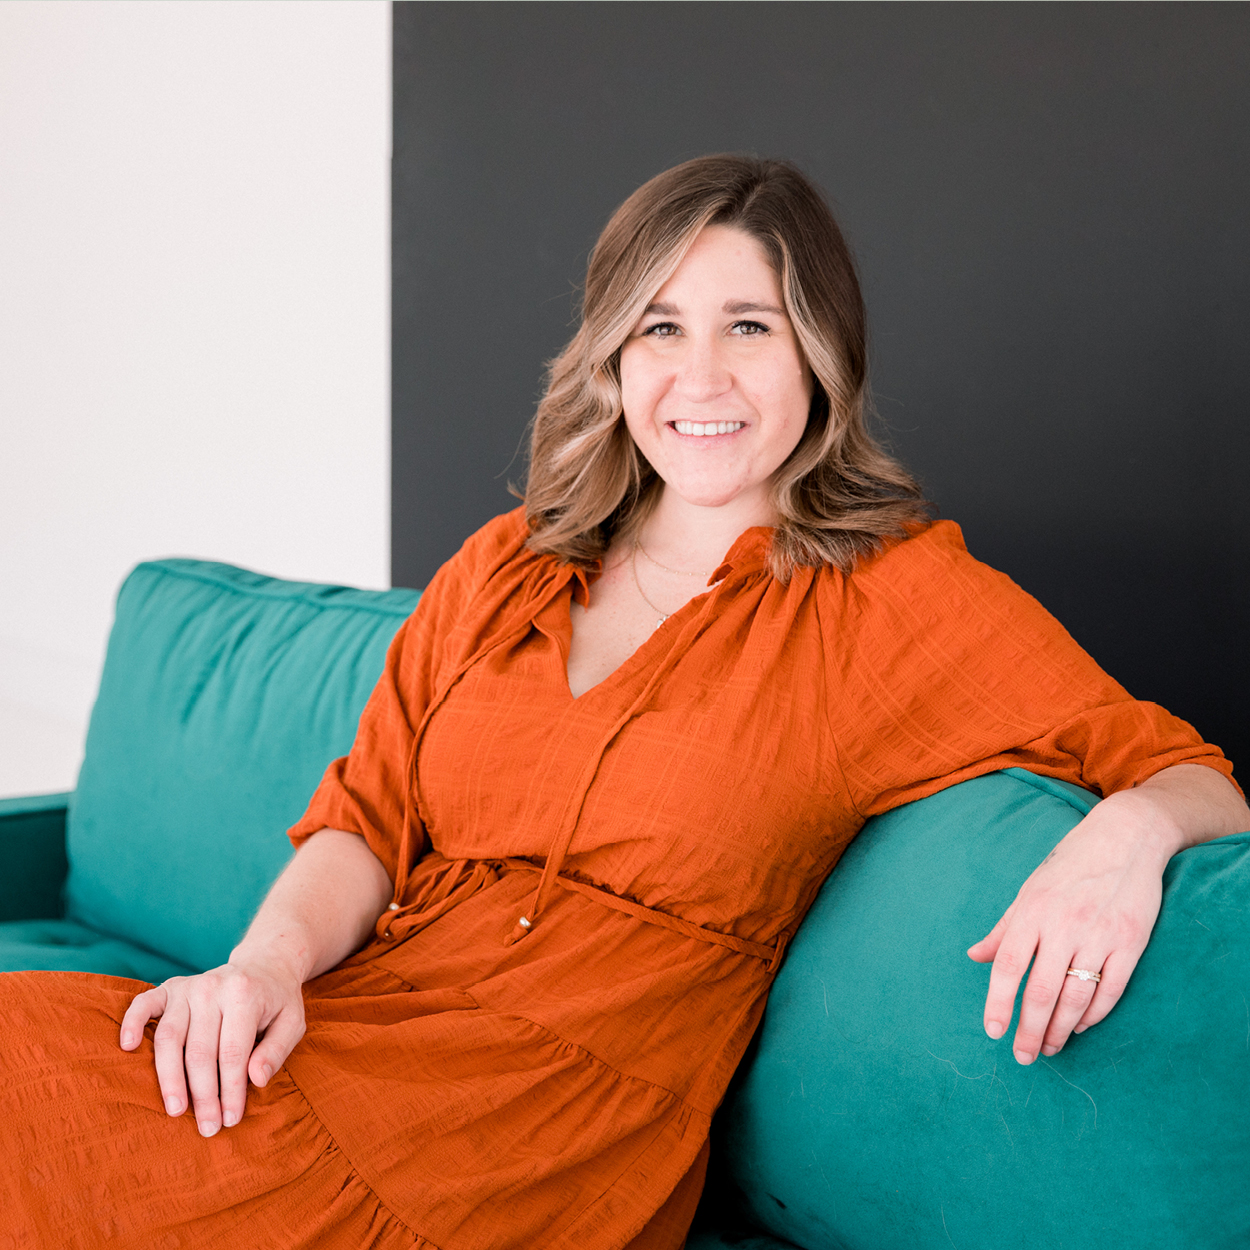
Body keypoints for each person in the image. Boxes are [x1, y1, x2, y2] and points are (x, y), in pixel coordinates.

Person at [3, 155, 1246, 1250]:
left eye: (748, 325)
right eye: (658, 327)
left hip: (526, 1142)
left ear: (820, 349)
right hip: (348, 1034)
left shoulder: (889, 601)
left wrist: (1126, 835)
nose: (698, 374)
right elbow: (364, 815)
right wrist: (259, 969)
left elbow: (1186, 767)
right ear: (610, 354)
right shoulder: (503, 566)